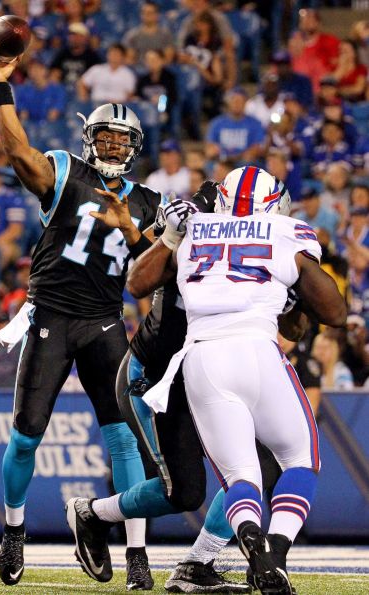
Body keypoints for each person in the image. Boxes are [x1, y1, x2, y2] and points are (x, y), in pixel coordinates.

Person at [66, 166, 346, 595]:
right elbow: (140, 280)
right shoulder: (190, 222)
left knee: (259, 467)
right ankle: (93, 514)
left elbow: (294, 327)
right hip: (157, 373)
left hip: (202, 363)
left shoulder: (203, 229)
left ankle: (199, 563)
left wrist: (287, 291)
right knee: (183, 492)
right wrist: (170, 234)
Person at [0, 34, 161, 590]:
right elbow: (17, 151)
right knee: (27, 433)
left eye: (120, 139)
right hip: (50, 315)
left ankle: (136, 553)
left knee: (125, 440)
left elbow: (146, 280)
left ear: (133, 146)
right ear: (89, 140)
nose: (110, 146)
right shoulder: (64, 170)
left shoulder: (148, 203)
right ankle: (14, 530)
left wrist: (133, 228)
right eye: (103, 137)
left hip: (105, 321)